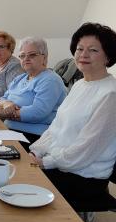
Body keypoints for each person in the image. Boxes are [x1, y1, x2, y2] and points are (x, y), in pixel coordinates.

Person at [29, 23, 116, 205]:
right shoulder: (79, 85)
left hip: (83, 177)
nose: (83, 54)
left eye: (93, 50)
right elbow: (56, 128)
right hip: (60, 164)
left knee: (19, 184)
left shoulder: (110, 94)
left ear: (108, 56)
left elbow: (87, 148)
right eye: (79, 49)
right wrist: (35, 151)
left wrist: (46, 162)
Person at [0, 37, 66, 144]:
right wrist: (7, 104)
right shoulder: (20, 78)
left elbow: (37, 113)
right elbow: (2, 99)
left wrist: (6, 113)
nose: (26, 58)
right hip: (9, 131)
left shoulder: (50, 80)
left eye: (32, 55)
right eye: (22, 55)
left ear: (44, 58)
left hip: (33, 137)